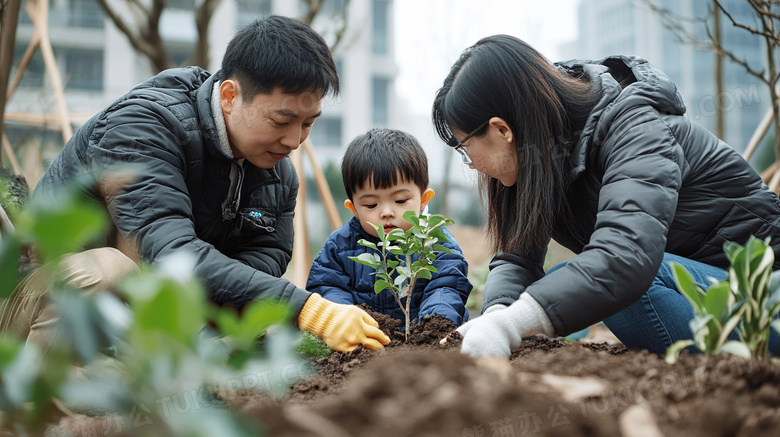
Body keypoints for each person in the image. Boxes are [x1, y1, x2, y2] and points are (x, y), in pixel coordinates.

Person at [0, 15, 390, 354]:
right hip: (34, 304)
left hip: (142, 321)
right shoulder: (141, 129)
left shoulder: (276, 172)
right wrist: (309, 308)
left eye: (308, 123)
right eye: (281, 120)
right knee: (110, 269)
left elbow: (266, 255)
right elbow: (169, 252)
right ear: (229, 96)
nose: (294, 141)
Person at [431, 34, 780, 358]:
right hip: (706, 300)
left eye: (465, 148)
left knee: (618, 288)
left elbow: (624, 259)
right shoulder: (536, 160)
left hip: (765, 303)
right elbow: (517, 259)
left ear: (502, 130)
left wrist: (510, 326)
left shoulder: (637, 130)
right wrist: (495, 316)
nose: (472, 164)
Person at [306, 128, 472, 327]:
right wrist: (345, 319)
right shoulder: (340, 246)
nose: (386, 212)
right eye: (371, 205)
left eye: (400, 200)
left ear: (423, 200)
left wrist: (434, 324)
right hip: (363, 342)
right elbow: (327, 287)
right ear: (354, 209)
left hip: (423, 343)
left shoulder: (435, 242)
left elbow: (446, 286)